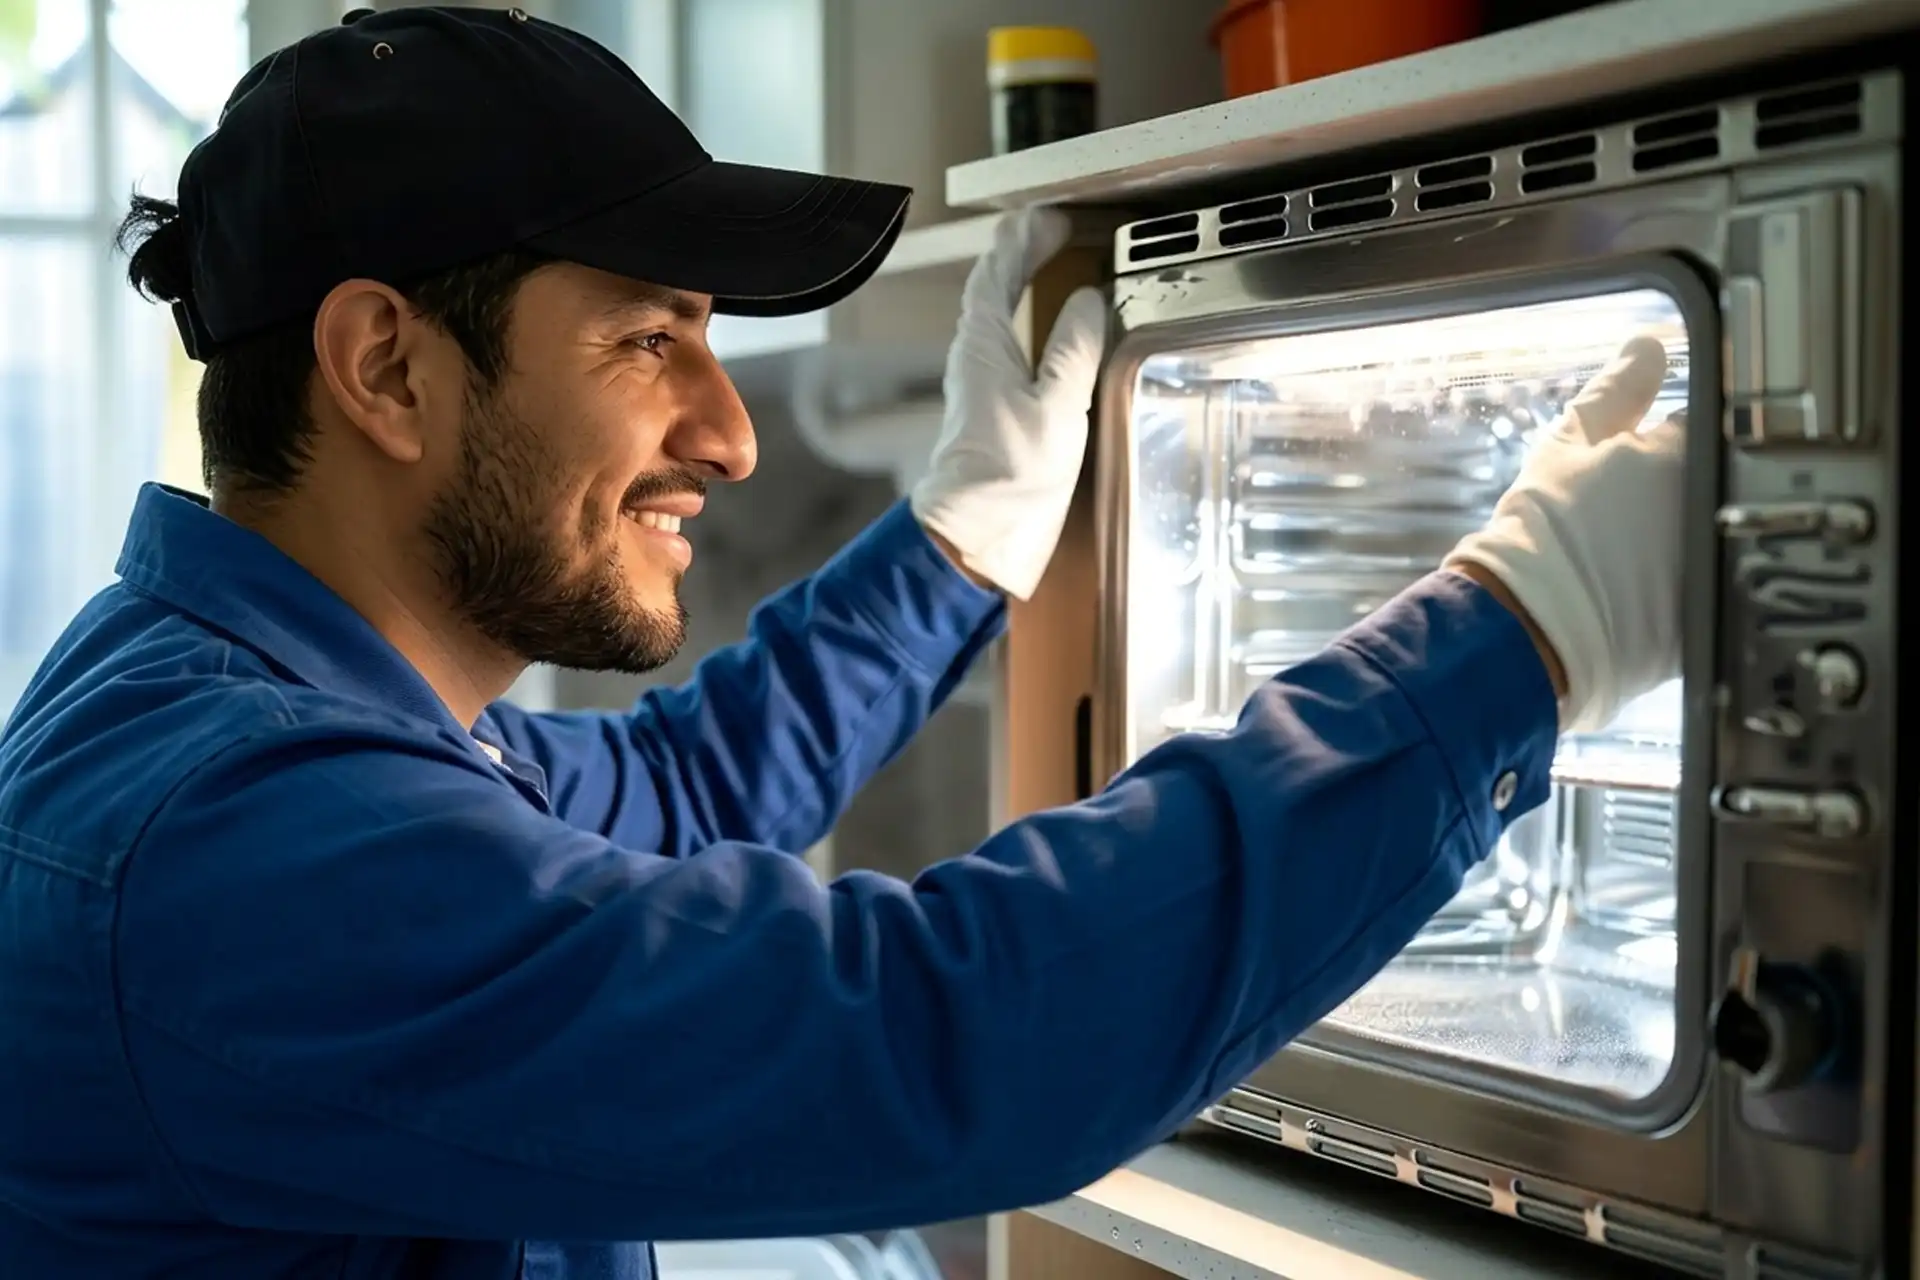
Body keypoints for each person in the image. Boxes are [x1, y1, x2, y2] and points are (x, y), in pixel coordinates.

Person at [0, 7, 1683, 1280]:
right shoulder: (235, 847)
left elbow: (677, 789)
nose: (729, 437)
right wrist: (1520, 642)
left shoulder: (236, 703)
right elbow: (926, 1037)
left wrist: (961, 536)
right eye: (651, 338)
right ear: (386, 370)